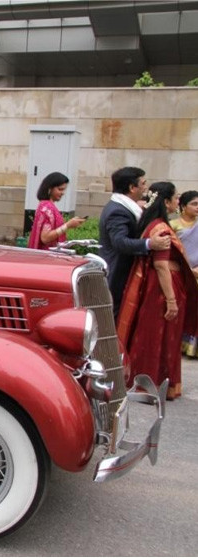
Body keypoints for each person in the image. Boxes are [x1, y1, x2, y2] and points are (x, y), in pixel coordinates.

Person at [117, 182, 196, 401]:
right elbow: (162, 266)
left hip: (157, 288)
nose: (177, 201)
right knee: (158, 335)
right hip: (161, 290)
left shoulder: (153, 224)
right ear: (167, 201)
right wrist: (171, 300)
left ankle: (153, 382)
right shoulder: (161, 228)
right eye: (175, 198)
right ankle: (152, 383)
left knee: (154, 335)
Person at [99, 166, 171, 316]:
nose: (146, 188)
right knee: (112, 319)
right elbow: (120, 242)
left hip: (122, 273)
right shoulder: (118, 211)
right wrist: (150, 244)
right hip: (117, 273)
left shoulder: (124, 207)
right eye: (143, 183)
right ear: (132, 187)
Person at [27, 172, 87, 250]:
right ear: (50, 189)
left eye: (63, 190)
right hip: (47, 257)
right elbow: (45, 238)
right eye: (60, 189)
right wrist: (67, 225)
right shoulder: (47, 208)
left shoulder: (46, 206)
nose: (63, 193)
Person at [171, 190, 198, 356]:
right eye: (194, 204)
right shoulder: (173, 225)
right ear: (182, 206)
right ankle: (179, 344)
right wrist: (188, 269)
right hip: (181, 273)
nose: (197, 207)